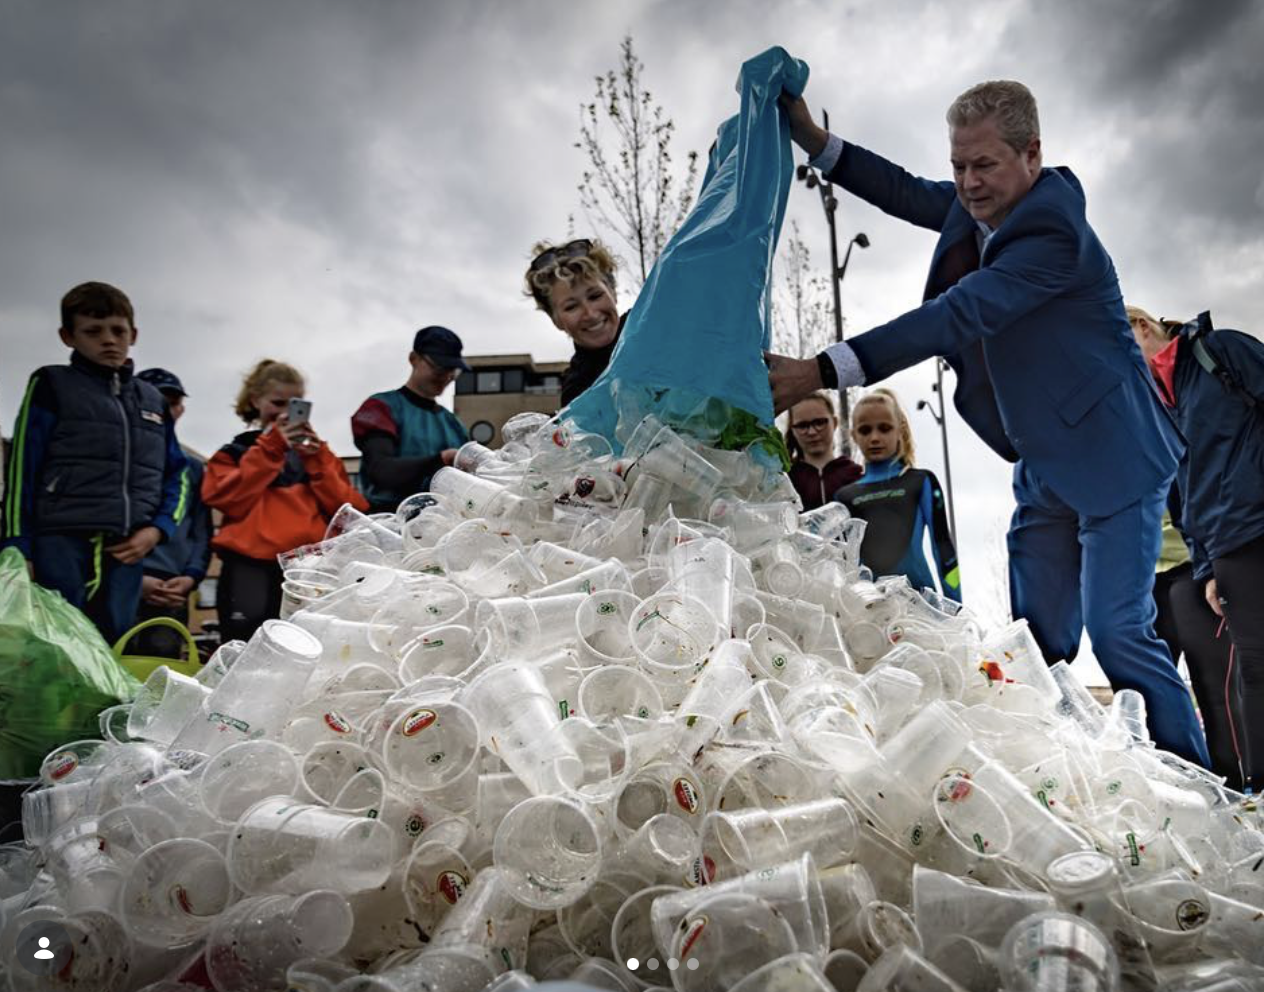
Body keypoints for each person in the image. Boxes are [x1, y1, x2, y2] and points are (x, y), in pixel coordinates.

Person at [767, 81, 1208, 766]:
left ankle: (1199, 782)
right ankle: (1061, 776)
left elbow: (960, 312)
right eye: (958, 166)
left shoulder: (1052, 229)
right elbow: (907, 191)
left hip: (1114, 455)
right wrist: (815, 142)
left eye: (985, 166)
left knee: (1120, 634)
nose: (968, 184)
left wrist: (819, 370)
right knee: (1034, 642)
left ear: (1032, 154)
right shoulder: (984, 207)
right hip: (1044, 458)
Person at [1, 282, 187, 643]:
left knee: (114, 645)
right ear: (68, 336)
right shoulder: (51, 384)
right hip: (60, 542)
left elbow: (176, 476)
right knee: (58, 646)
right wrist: (17, 546)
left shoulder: (151, 399)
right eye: (93, 331)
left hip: (128, 549)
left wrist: (156, 530)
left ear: (133, 334)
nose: (108, 340)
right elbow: (22, 468)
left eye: (118, 331)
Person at [1128, 305, 1264, 792]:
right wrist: (1207, 565)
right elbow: (1187, 488)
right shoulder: (1160, 400)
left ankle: (1247, 780)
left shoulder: (1218, 352)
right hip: (1217, 549)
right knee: (1253, 665)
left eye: (1125, 354)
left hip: (1246, 528)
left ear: (1142, 327)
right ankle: (1249, 790)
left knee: (1233, 675)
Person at [202, 359, 367, 643]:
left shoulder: (317, 453)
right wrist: (271, 447)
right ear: (256, 401)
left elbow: (347, 509)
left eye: (295, 404)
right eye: (278, 403)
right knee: (244, 644)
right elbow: (224, 499)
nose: (285, 413)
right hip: (249, 567)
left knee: (308, 643)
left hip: (307, 567)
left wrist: (315, 459)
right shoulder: (235, 452)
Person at [834, 389, 961, 602]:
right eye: (865, 430)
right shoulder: (844, 497)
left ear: (899, 430)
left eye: (884, 428)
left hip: (921, 604)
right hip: (869, 610)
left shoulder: (922, 481)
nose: (875, 438)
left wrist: (956, 607)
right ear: (854, 435)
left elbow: (943, 547)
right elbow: (840, 564)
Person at [132, 368, 213, 659]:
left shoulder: (192, 468)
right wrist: (134, 578)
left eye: (173, 402)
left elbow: (201, 531)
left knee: (162, 671)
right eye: (158, 400)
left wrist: (191, 577)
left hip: (173, 586)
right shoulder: (122, 458)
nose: (166, 410)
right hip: (123, 576)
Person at [350, 326, 471, 514]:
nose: (446, 377)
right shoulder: (381, 407)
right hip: (390, 523)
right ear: (414, 359)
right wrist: (439, 460)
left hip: (443, 524)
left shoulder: (454, 425)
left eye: (452, 371)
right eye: (439, 367)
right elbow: (381, 471)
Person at [524, 238, 626, 406]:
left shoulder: (656, 324)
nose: (590, 314)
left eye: (595, 296)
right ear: (555, 320)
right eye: (571, 307)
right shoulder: (577, 394)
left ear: (613, 292)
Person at [784, 390, 861, 510]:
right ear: (792, 429)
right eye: (802, 426)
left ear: (834, 423)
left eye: (819, 422)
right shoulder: (785, 481)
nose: (812, 432)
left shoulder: (856, 475)